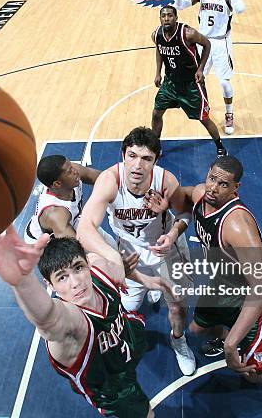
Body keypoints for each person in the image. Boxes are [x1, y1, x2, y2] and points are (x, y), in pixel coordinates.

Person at [148, 156, 262, 412]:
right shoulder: (204, 194)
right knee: (198, 328)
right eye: (212, 178)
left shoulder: (237, 226)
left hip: (257, 294)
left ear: (236, 188)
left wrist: (231, 343)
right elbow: (189, 195)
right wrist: (167, 204)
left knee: (254, 372)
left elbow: (261, 287)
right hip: (224, 282)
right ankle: (232, 334)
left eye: (223, 184)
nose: (213, 187)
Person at [0, 228, 156, 417]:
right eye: (62, 277)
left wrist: (131, 272)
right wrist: (23, 282)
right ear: (50, 285)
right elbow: (48, 319)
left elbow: (88, 225)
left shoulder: (100, 269)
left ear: (88, 265)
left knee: (135, 330)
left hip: (127, 338)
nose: (76, 282)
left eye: (78, 268)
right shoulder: (71, 323)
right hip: (112, 387)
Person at [77, 126, 197, 376]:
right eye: (132, 155)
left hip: (168, 252)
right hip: (130, 255)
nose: (138, 165)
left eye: (146, 158)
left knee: (177, 306)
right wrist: (116, 260)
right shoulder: (110, 180)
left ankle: (178, 340)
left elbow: (185, 212)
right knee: (126, 309)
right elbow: (85, 229)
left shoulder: (165, 180)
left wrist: (173, 232)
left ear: (156, 159)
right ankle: (129, 336)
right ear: (123, 155)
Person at [151, 5, 227, 157]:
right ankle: (156, 146)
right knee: (156, 113)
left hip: (191, 84)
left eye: (170, 15)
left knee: (203, 118)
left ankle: (220, 147)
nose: (166, 18)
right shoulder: (156, 35)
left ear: (176, 17)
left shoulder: (188, 33)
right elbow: (159, 50)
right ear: (160, 18)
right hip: (170, 83)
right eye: (163, 16)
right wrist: (157, 73)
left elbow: (207, 44)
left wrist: (200, 69)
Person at [174, 0, 246, 135]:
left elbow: (241, 9)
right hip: (203, 41)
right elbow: (179, 5)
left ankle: (229, 114)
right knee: (197, 78)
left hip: (221, 43)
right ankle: (202, 106)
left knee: (225, 83)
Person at [24, 155, 100, 243]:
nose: (75, 171)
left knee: (105, 243)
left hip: (72, 220)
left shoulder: (73, 173)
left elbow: (106, 178)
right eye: (69, 171)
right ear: (57, 184)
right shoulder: (56, 214)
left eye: (71, 166)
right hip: (43, 244)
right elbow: (75, 251)